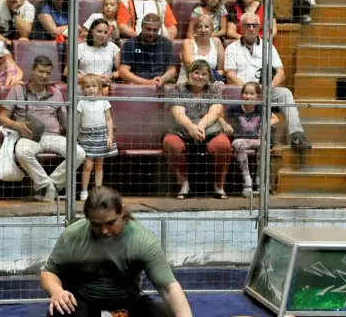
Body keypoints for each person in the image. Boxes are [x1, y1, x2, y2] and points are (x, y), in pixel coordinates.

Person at [40, 186, 199, 317]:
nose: (104, 230)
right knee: (58, 314)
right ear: (87, 219)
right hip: (87, 312)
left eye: (110, 223)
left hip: (126, 313)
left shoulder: (141, 240)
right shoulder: (73, 235)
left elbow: (169, 287)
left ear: (122, 212)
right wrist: (56, 291)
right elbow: (49, 272)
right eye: (97, 225)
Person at [0, 55, 83, 201]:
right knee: (22, 152)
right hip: (29, 137)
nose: (44, 76)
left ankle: (52, 185)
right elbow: (2, 117)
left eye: (48, 73)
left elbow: (64, 119)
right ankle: (47, 185)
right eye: (41, 71)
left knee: (79, 153)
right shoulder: (18, 90)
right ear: (32, 70)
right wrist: (16, 125)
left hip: (54, 136)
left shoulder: (55, 92)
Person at [222, 12, 310, 150]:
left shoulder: (268, 47)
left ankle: (296, 135)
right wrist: (250, 90)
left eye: (254, 25)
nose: (251, 28)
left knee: (285, 93)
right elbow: (230, 75)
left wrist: (267, 88)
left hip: (266, 90)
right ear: (241, 27)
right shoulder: (232, 48)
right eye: (247, 25)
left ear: (259, 27)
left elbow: (281, 72)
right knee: (247, 92)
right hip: (243, 93)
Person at [162, 60, 231, 199]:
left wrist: (200, 126)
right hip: (182, 130)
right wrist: (190, 127)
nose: (200, 77)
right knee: (170, 143)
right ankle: (184, 184)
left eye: (204, 74)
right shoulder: (179, 89)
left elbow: (215, 111)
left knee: (223, 144)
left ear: (209, 76)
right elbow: (178, 113)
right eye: (196, 73)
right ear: (189, 74)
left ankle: (219, 186)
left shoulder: (214, 90)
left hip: (209, 129)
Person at [76, 73, 115, 203]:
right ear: (83, 89)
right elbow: (77, 122)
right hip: (86, 136)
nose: (91, 89)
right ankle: (84, 191)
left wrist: (109, 136)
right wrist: (74, 138)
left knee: (99, 165)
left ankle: (98, 191)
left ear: (99, 87)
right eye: (87, 86)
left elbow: (109, 119)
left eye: (94, 86)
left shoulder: (104, 102)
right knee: (87, 165)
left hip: (101, 136)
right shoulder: (81, 103)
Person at [116, 13, 178, 86]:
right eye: (148, 29)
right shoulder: (130, 44)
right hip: (137, 86)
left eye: (155, 30)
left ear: (159, 29)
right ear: (142, 27)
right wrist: (148, 83)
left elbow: (172, 69)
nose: (151, 33)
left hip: (161, 85)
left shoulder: (166, 43)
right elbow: (123, 72)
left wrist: (163, 79)